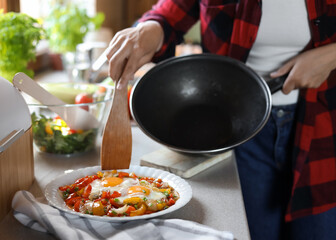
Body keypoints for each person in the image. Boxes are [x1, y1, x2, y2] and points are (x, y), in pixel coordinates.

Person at [104, 1, 336, 239]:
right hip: (235, 130)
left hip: (324, 125)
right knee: (252, 231)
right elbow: (176, 7)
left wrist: (332, 55)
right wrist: (153, 27)